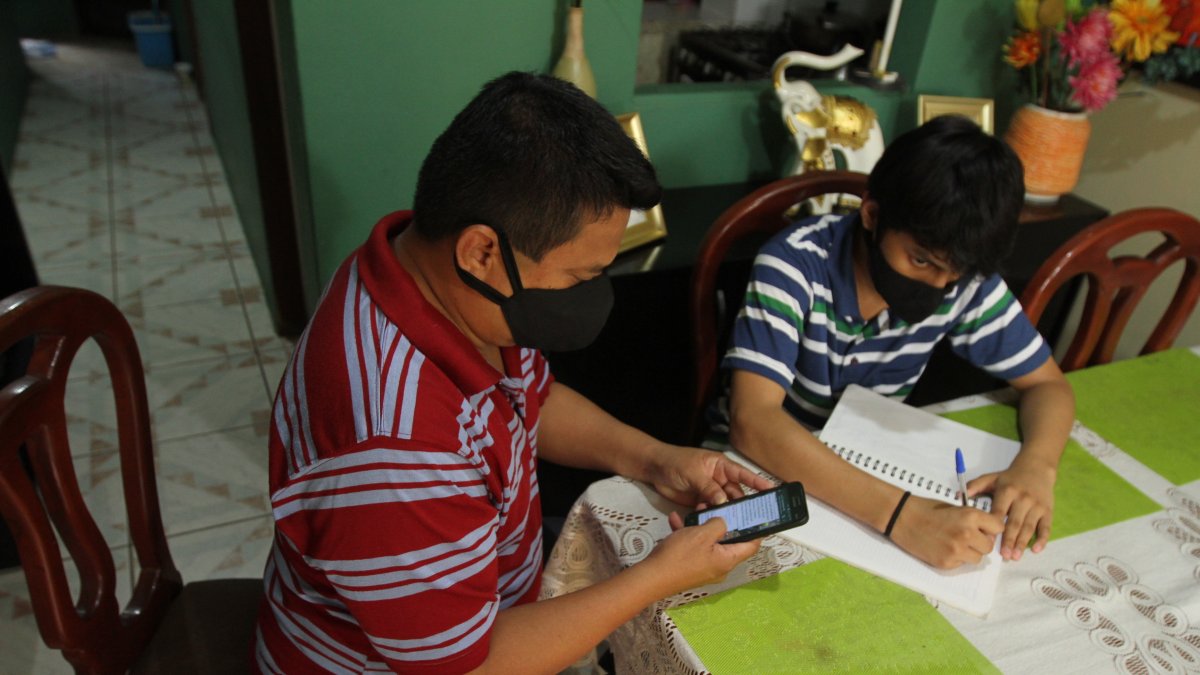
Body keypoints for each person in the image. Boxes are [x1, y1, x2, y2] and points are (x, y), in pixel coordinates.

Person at [251, 71, 772, 674]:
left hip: (484, 605)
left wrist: (657, 457)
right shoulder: (395, 448)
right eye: (581, 276)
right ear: (480, 251)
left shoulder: (428, 276)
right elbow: (469, 668)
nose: (594, 293)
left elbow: (532, 399)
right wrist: (658, 577)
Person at [723, 115, 1076, 571]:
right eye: (920, 260)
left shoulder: (964, 282)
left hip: (871, 466)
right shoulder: (795, 267)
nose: (939, 285)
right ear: (872, 216)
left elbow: (1049, 385)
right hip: (765, 464)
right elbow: (752, 420)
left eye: (955, 274)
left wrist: (1037, 466)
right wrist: (902, 517)